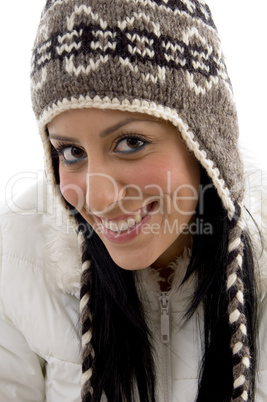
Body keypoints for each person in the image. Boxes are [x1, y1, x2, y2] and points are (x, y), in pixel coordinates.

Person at [0, 0, 266, 401]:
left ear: (204, 143)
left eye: (130, 143)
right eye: (71, 152)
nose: (100, 198)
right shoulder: (16, 255)